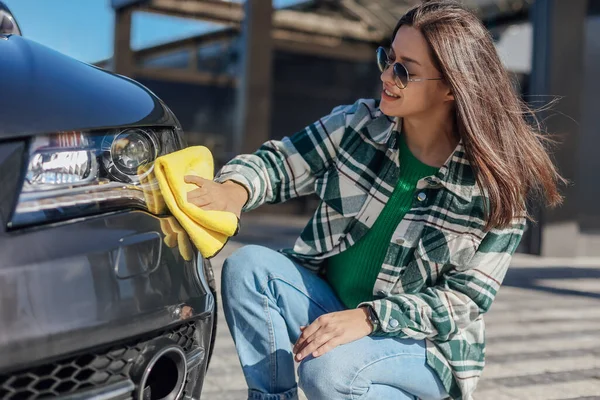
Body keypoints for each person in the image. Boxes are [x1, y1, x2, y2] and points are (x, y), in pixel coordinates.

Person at [184, 1, 563, 399]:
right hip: (331, 311)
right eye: (389, 58)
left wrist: (370, 317)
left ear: (453, 87)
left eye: (405, 70)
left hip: (419, 350)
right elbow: (282, 163)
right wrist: (235, 190)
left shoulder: (495, 188)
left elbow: (464, 301)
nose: (387, 76)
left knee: (328, 373)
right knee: (248, 267)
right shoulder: (358, 125)